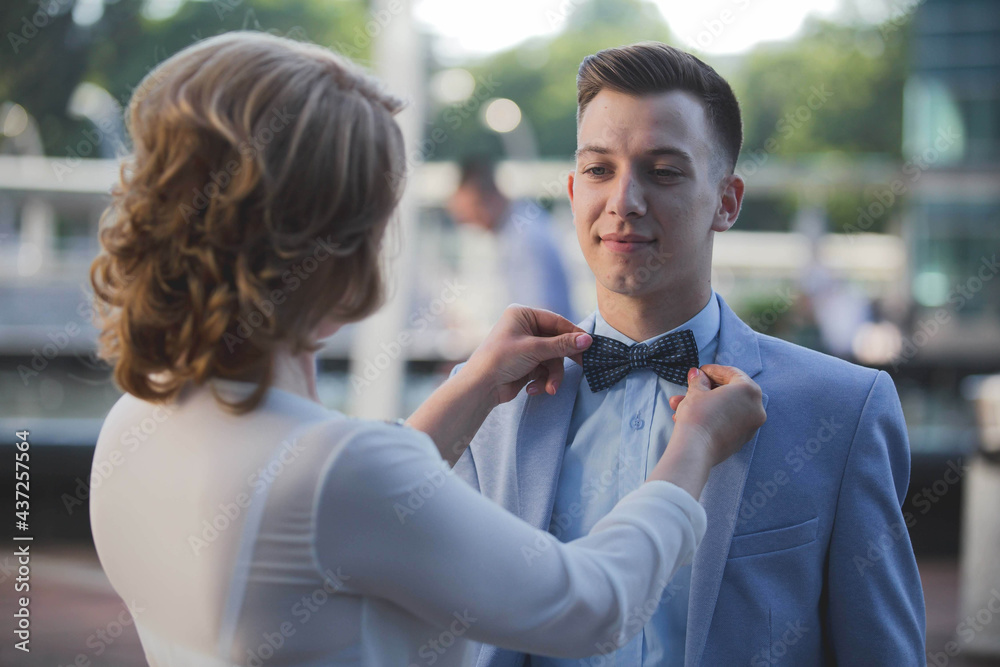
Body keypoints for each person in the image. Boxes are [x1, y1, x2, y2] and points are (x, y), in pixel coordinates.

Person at [86, 32, 767, 667]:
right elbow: (596, 603)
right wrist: (694, 451)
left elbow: (349, 512)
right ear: (334, 243)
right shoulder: (337, 473)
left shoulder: (132, 424)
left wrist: (471, 385)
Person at [451, 42, 927, 666]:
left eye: (664, 171)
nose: (624, 201)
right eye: (599, 170)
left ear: (727, 201)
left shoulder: (843, 410)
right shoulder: (489, 401)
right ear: (572, 192)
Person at [447, 156, 577, 321]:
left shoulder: (525, 239)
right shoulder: (517, 230)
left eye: (471, 214)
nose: (473, 225)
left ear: (488, 199)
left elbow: (541, 315)